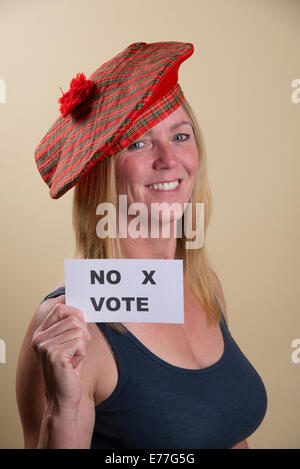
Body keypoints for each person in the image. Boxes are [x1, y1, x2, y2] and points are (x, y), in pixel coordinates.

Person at [16, 42, 267, 449]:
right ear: (103, 175)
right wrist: (62, 410)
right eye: (138, 143)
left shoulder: (204, 288)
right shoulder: (70, 322)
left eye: (180, 135)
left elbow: (223, 431)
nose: (169, 159)